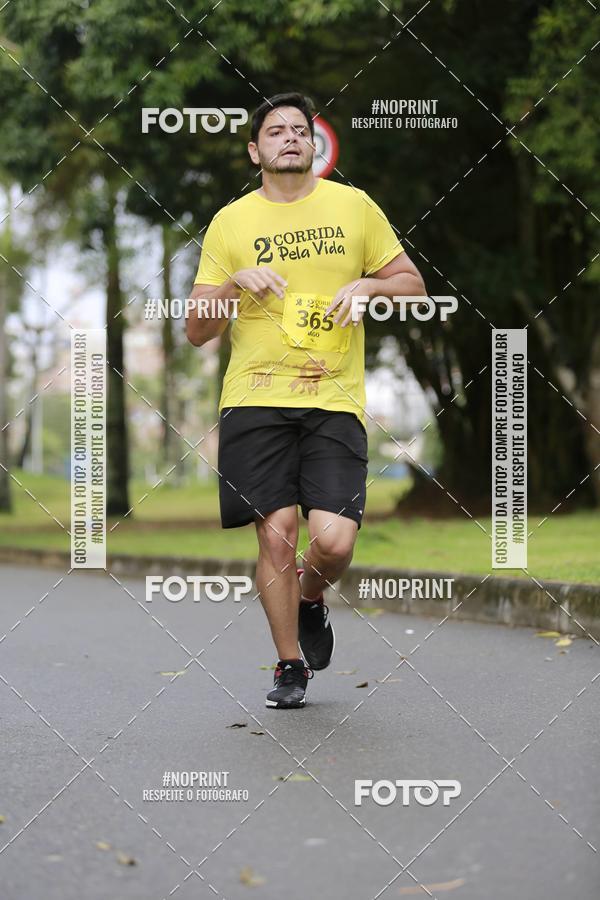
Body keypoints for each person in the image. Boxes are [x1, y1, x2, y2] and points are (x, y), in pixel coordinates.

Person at [186, 92, 426, 709]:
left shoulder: (353, 207)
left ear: (314, 145)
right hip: (255, 398)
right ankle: (289, 665)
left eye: (300, 130)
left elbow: (413, 286)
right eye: (276, 131)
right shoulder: (231, 222)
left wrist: (372, 283)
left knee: (335, 540)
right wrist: (235, 283)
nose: (290, 137)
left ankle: (311, 596)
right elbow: (196, 328)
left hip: (334, 399)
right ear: (255, 150)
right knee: (276, 534)